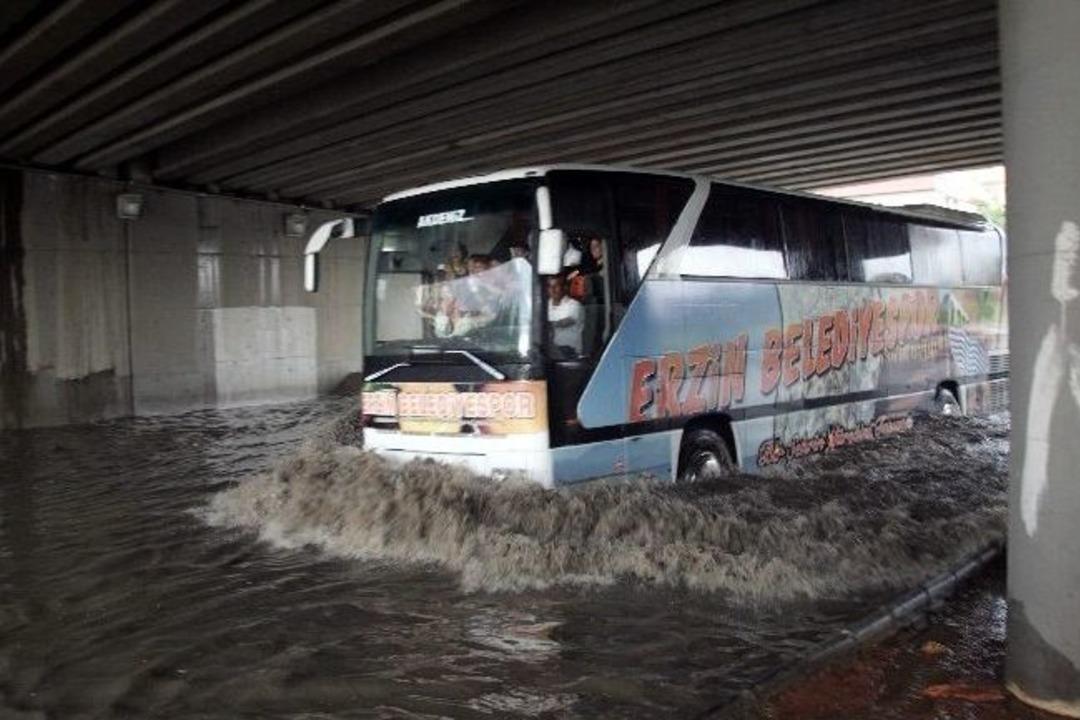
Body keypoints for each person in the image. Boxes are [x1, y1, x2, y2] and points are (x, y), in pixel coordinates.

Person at [546, 274, 584, 356]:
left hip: (569, 351)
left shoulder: (574, 305)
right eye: (550, 286)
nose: (552, 290)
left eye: (556, 286)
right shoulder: (545, 305)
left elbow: (566, 322)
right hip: (550, 350)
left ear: (565, 288)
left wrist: (545, 324)